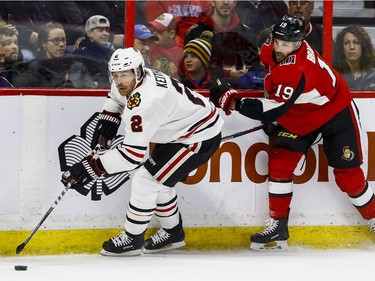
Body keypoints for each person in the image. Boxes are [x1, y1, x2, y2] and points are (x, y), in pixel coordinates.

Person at [210, 15, 375, 251]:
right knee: (280, 164)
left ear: (299, 44)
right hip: (299, 112)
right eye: (278, 41)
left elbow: (274, 109)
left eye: (287, 44)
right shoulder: (274, 45)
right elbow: (276, 85)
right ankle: (278, 226)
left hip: (334, 111)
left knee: (349, 177)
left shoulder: (296, 68)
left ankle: (374, 218)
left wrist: (232, 101)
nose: (280, 48)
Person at [61, 47, 224, 256]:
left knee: (146, 180)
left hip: (197, 137)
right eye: (116, 75)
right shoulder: (134, 78)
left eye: (124, 75)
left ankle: (132, 238)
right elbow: (115, 97)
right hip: (178, 131)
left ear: (137, 71)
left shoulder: (147, 102)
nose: (119, 81)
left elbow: (132, 156)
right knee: (160, 182)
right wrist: (110, 117)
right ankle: (173, 233)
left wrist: (90, 167)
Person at [184, 0, 259, 79]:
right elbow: (191, 68)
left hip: (241, 88)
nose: (225, 2)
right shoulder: (195, 33)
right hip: (208, 88)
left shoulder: (247, 33)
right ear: (213, 2)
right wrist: (229, 74)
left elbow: (257, 64)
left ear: (235, 2)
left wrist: (249, 73)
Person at [12, 22, 95, 88]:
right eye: (56, 40)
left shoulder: (78, 67)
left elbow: (93, 96)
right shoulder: (30, 70)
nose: (62, 44)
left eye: (64, 40)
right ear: (44, 43)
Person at [73, 15, 114, 88]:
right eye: (100, 30)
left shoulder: (111, 52)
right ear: (89, 33)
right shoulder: (80, 54)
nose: (105, 33)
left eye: (107, 30)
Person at [145, 0, 211, 44]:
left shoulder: (205, 1)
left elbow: (211, 27)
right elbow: (157, 34)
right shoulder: (155, 2)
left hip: (200, 46)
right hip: (170, 51)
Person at [332, 25, 375, 91]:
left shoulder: (372, 75)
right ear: (341, 47)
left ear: (363, 46)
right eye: (346, 43)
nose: (352, 47)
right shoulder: (335, 76)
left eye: (356, 42)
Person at [148, 13, 184, 78]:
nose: (155, 33)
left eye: (159, 30)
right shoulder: (149, 45)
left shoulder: (182, 50)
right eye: (154, 29)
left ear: (171, 34)